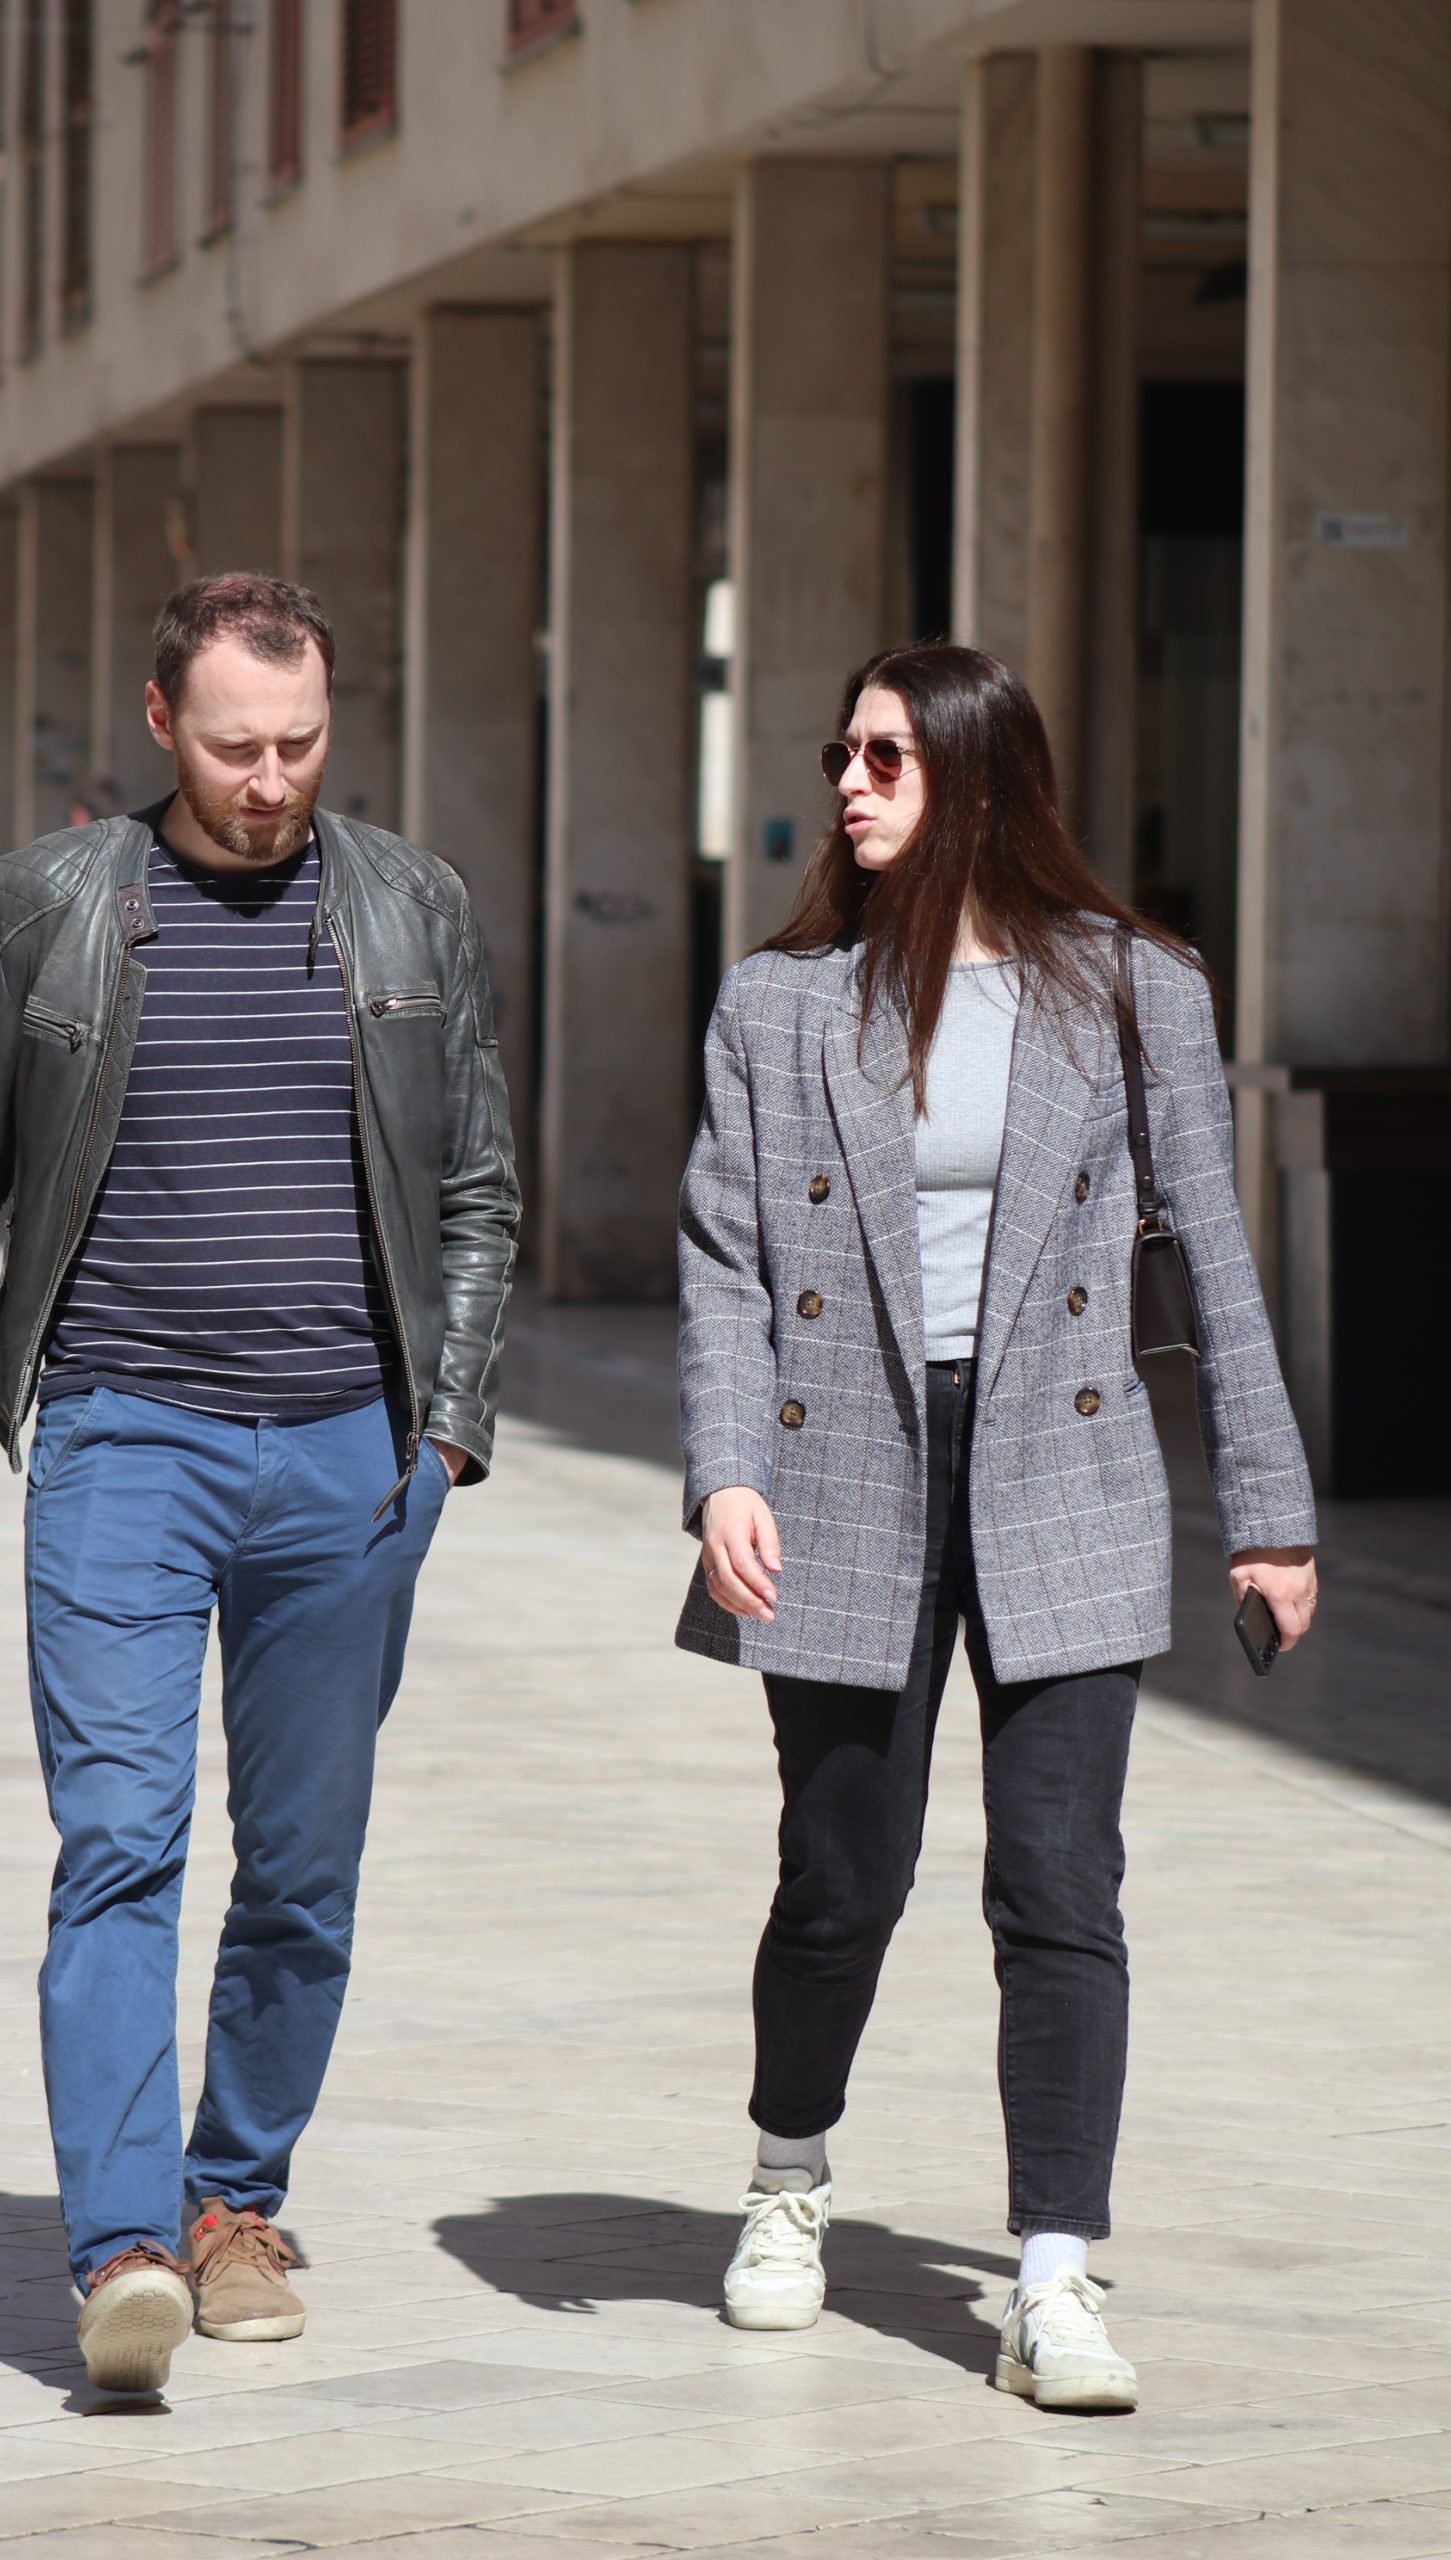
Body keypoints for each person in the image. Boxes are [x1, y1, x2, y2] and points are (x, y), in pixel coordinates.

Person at [0, 573, 520, 2397]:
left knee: (303, 1868)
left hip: (352, 1457)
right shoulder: (45, 907)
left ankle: (235, 2204)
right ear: (158, 725)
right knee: (121, 1839)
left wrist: (445, 1428)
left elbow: (475, 1189)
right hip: (123, 1440)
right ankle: (123, 2244)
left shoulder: (413, 903)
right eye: (232, 748)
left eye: (299, 744)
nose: (269, 781)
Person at [676, 644, 1317, 2413]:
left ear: (973, 776)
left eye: (884, 756)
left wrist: (1269, 1513)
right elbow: (724, 1262)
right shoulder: (779, 1003)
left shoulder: (1130, 987)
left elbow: (1208, 1251)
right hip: (841, 1474)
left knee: (1056, 1884)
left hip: (1064, 1466)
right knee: (840, 1881)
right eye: (842, 751)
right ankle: (787, 2175)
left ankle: (1051, 2271)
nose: (848, 781)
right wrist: (724, 1473)